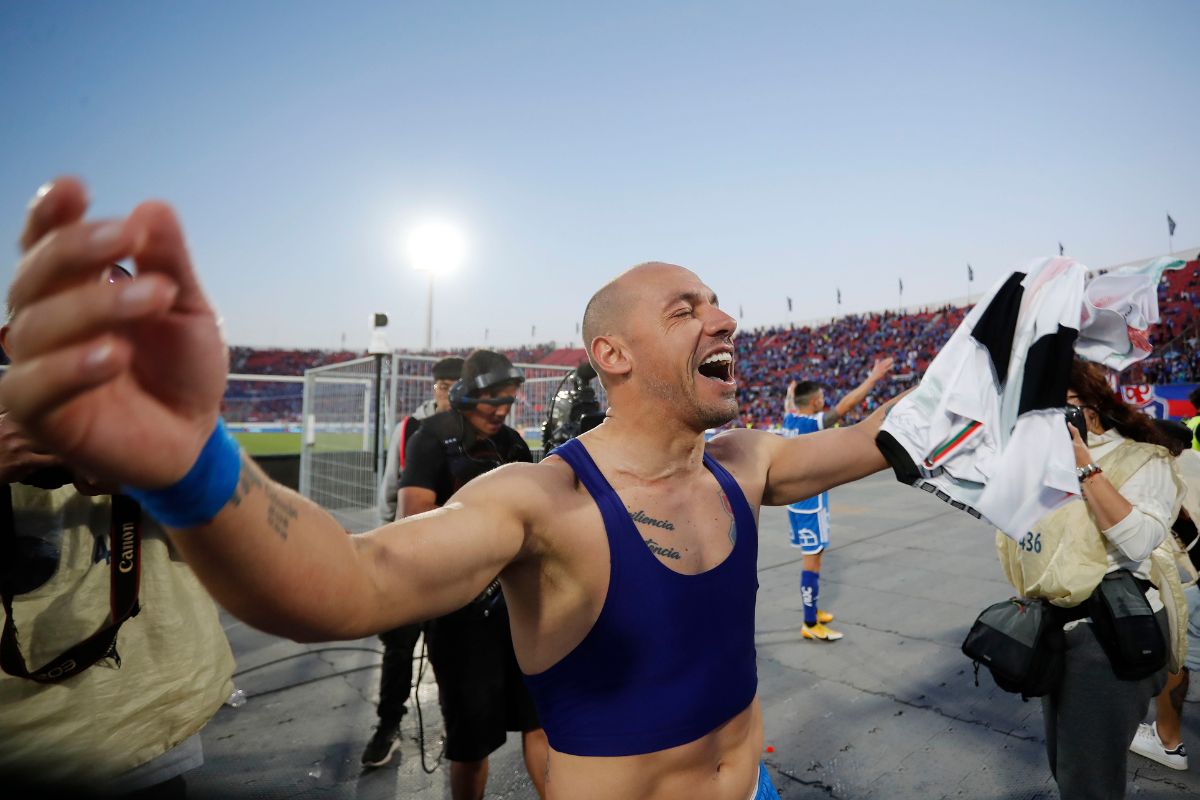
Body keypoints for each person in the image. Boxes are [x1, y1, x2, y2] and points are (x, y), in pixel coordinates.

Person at [0, 178, 906, 800]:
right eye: (687, 309)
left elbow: (886, 437)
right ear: (613, 356)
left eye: (715, 301)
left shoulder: (749, 460)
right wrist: (191, 458)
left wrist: (1002, 364)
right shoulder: (542, 500)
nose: (726, 318)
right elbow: (353, 583)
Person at [0, 264, 235, 797]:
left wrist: (162, 477)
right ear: (15, 341)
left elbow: (249, 554)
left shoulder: (173, 424)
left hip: (153, 730)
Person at [996, 359, 1187, 799]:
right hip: (1057, 626)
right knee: (1067, 761)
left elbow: (1137, 539)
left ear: (1089, 408)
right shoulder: (1040, 464)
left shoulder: (1143, 459)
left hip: (1110, 633)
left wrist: (1083, 463)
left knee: (1090, 779)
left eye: (1055, 410)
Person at [397, 349, 547, 799]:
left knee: (539, 723)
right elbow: (413, 521)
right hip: (461, 617)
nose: (501, 409)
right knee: (470, 742)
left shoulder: (512, 442)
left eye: (509, 399)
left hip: (520, 613)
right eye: (491, 400)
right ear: (466, 394)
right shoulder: (432, 436)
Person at [362, 354, 462, 768]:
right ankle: (388, 726)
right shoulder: (409, 428)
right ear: (434, 386)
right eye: (443, 384)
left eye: (456, 385)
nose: (448, 392)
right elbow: (389, 494)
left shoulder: (478, 434)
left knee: (455, 650)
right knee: (399, 648)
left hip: (456, 566)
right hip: (406, 561)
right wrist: (386, 551)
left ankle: (456, 726)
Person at [782, 357, 892, 641]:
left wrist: (789, 392)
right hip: (810, 505)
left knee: (813, 556)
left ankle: (814, 610)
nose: (824, 401)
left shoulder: (789, 418)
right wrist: (873, 378)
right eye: (821, 398)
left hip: (796, 503)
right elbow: (843, 408)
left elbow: (788, 405)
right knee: (812, 560)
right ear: (815, 402)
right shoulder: (810, 423)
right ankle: (809, 623)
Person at [1128, 419, 1200, 771]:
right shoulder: (1193, 466)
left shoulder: (1157, 477)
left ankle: (1169, 742)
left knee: (1177, 660)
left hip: (1188, 583)